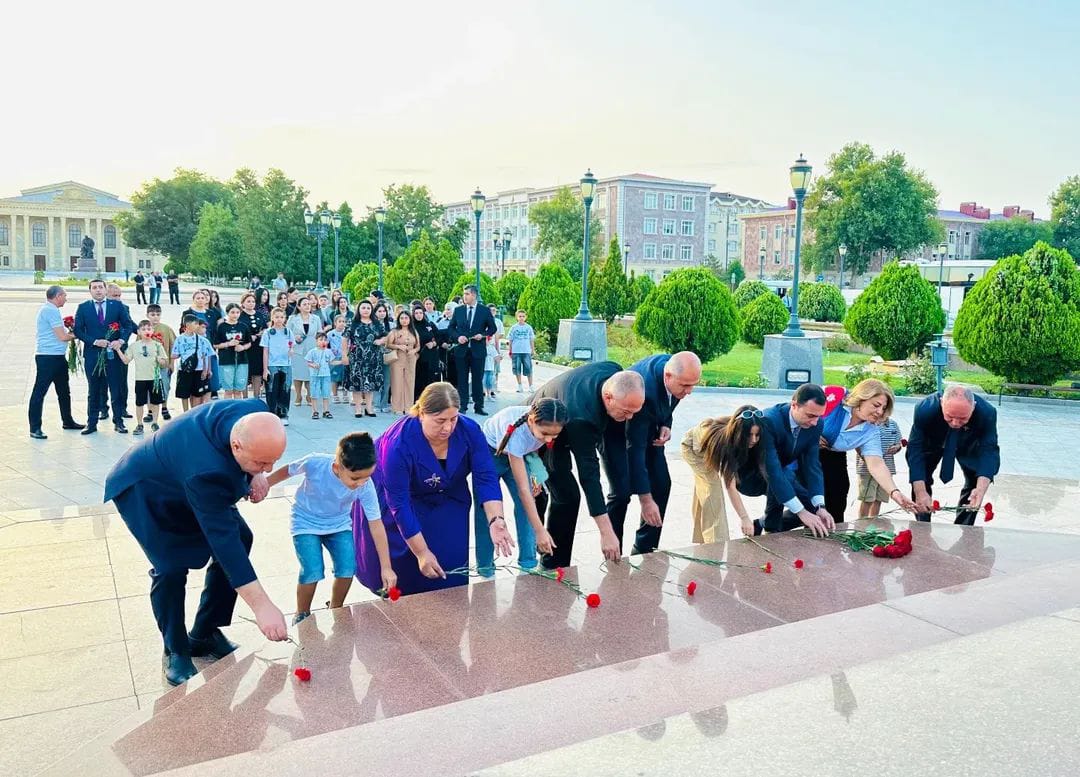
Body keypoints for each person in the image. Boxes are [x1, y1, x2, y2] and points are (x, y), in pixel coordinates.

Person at [104, 401, 290, 686]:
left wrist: (256, 472)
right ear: (237, 446)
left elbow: (229, 529)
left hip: (188, 475)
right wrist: (262, 607)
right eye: (262, 463)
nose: (270, 468)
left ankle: (204, 633)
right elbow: (223, 541)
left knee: (243, 537)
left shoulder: (256, 413)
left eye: (273, 460)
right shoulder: (206, 470)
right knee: (170, 568)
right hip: (149, 489)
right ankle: (176, 649)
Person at [353, 383, 513, 596]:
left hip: (449, 494)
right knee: (406, 565)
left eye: (453, 419)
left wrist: (496, 519)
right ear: (421, 414)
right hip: (400, 497)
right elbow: (399, 505)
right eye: (440, 421)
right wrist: (421, 552)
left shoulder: (469, 430)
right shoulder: (398, 444)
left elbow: (486, 477)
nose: (448, 428)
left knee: (449, 562)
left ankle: (448, 601)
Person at [267, 433, 394, 624]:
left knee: (347, 567)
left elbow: (376, 525)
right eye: (355, 478)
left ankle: (336, 607)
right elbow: (289, 470)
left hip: (338, 524)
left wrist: (386, 567)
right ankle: (302, 612)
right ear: (337, 467)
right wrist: (264, 484)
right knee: (313, 569)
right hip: (305, 522)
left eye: (367, 477)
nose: (361, 483)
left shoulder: (365, 486)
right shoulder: (315, 463)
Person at [533, 363, 646, 566]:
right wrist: (606, 532)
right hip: (544, 430)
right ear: (608, 397)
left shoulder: (613, 371)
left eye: (634, 412)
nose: (630, 417)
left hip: (568, 411)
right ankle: (552, 563)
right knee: (566, 495)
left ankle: (553, 557)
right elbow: (589, 475)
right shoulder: (582, 418)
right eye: (626, 411)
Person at [610, 352, 702, 555]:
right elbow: (635, 449)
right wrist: (645, 499)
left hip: (650, 427)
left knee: (661, 484)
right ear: (667, 376)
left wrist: (666, 423)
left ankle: (645, 548)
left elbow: (670, 399)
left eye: (693, 385)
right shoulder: (647, 392)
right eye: (685, 386)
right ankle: (613, 551)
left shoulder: (674, 370)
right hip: (620, 433)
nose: (689, 391)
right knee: (621, 492)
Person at [475, 398, 567, 576]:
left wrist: (535, 475)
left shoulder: (543, 425)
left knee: (527, 507)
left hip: (519, 455)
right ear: (531, 421)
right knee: (486, 510)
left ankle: (528, 563)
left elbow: (533, 448)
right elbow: (523, 490)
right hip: (489, 453)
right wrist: (540, 531)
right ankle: (485, 570)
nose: (549, 439)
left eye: (554, 436)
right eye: (545, 434)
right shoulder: (516, 432)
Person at [816, 380, 915, 521]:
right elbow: (799, 403)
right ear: (862, 398)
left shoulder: (871, 430)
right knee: (805, 505)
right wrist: (810, 433)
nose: (880, 412)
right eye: (876, 405)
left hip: (834, 458)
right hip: (802, 452)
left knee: (837, 501)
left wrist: (894, 492)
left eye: (883, 408)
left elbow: (876, 464)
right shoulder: (835, 396)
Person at [906, 385, 1000, 525]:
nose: (955, 423)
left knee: (975, 480)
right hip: (933, 439)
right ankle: (922, 524)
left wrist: (980, 489)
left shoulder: (987, 413)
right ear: (941, 402)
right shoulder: (925, 409)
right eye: (950, 416)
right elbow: (915, 448)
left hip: (968, 441)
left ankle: (964, 526)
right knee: (921, 476)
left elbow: (989, 450)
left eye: (963, 418)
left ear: (973, 407)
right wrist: (920, 490)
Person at [758, 383, 834, 536]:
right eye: (810, 415)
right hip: (755, 473)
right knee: (784, 483)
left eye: (819, 416)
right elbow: (772, 469)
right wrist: (800, 511)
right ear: (794, 405)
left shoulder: (816, 423)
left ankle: (761, 524)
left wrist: (820, 507)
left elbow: (812, 464)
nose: (815, 422)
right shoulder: (769, 420)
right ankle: (770, 531)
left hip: (782, 471)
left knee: (812, 508)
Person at [682, 407, 767, 543]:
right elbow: (730, 486)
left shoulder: (742, 427)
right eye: (749, 435)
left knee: (704, 492)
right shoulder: (727, 444)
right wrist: (744, 518)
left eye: (757, 435)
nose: (753, 440)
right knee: (712, 493)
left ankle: (702, 540)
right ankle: (716, 545)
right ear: (739, 432)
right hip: (694, 448)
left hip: (708, 441)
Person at [74, 279, 137, 435]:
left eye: (100, 287)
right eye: (94, 287)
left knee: (116, 389)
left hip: (113, 355)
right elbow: (78, 330)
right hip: (93, 355)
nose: (98, 290)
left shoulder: (117, 306)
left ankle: (119, 421)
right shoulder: (83, 307)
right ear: (90, 291)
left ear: (105, 290)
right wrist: (94, 341)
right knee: (93, 390)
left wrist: (120, 340)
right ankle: (92, 423)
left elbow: (128, 325)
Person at [28, 285, 84, 438]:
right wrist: (80, 334)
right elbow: (62, 336)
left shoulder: (51, 310)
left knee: (64, 391)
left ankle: (67, 421)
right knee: (39, 392)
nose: (66, 299)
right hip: (48, 358)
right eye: (64, 296)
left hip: (57, 356)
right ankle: (35, 428)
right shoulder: (50, 310)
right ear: (58, 296)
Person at [447, 284, 497, 415]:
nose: (464, 296)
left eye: (467, 294)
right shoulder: (459, 310)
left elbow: (493, 328)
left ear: (474, 295)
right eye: (464, 294)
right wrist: (458, 337)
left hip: (478, 351)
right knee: (462, 379)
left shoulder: (484, 310)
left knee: (477, 379)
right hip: (461, 351)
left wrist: (483, 335)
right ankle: (462, 406)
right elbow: (451, 328)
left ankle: (478, 406)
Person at [122, 320, 170, 435]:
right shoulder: (134, 346)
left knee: (155, 402)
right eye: (143, 329)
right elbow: (126, 361)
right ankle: (139, 424)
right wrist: (118, 350)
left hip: (155, 379)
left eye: (149, 329)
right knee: (139, 403)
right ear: (138, 332)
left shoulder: (157, 345)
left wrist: (161, 361)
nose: (146, 331)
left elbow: (165, 362)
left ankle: (155, 422)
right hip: (140, 379)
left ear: (152, 331)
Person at [345, 300, 387, 418]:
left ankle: (369, 408)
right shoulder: (353, 323)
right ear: (358, 309)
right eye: (363, 308)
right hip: (356, 357)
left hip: (374, 357)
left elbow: (386, 336)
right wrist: (344, 355)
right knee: (356, 383)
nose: (366, 310)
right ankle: (358, 409)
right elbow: (345, 339)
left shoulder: (377, 323)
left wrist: (381, 341)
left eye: (368, 308)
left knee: (371, 383)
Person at [857, 415, 904, 518]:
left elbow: (899, 443)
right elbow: (858, 444)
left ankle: (873, 522)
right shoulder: (867, 423)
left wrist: (897, 447)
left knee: (879, 499)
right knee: (867, 499)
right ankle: (861, 523)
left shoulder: (893, 424)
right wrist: (868, 459)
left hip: (887, 468)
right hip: (868, 469)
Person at [172, 314, 214, 410]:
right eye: (195, 324)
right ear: (187, 325)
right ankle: (185, 412)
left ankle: (195, 411)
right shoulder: (179, 339)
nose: (197, 326)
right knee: (184, 393)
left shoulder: (202, 340)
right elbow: (174, 355)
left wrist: (206, 370)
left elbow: (207, 355)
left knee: (197, 393)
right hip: (184, 369)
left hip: (198, 369)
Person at [261, 308, 293, 426]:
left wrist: (291, 350)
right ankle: (272, 415)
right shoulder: (268, 333)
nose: (279, 319)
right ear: (272, 318)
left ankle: (283, 414)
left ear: (285, 318)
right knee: (271, 390)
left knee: (285, 390)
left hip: (286, 365)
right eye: (277, 317)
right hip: (272, 365)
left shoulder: (288, 332)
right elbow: (265, 351)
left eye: (282, 317)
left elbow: (291, 345)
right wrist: (265, 369)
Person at [214, 303, 253, 400]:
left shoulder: (243, 326)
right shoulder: (221, 327)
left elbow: (249, 343)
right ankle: (228, 407)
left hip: (241, 360)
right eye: (232, 312)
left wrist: (242, 347)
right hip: (226, 360)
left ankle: (237, 407)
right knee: (228, 390)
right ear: (227, 313)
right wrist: (228, 344)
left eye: (237, 312)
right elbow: (215, 344)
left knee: (238, 390)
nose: (235, 315)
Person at [386, 309, 419, 414]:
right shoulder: (394, 331)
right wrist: (398, 346)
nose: (404, 320)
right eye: (402, 318)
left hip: (410, 358)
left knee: (410, 382)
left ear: (410, 319)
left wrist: (414, 351)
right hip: (398, 358)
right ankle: (397, 408)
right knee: (397, 382)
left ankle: (408, 407)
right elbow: (388, 344)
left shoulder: (414, 331)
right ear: (398, 319)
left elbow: (418, 346)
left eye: (406, 318)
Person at [147, 304, 176, 421]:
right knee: (149, 388)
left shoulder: (166, 329)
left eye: (158, 314)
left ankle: (164, 407)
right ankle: (150, 411)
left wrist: (172, 363)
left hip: (164, 365)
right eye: (152, 314)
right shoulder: (144, 329)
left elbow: (173, 347)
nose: (155, 317)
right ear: (147, 315)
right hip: (149, 366)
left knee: (164, 386)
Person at [286, 297, 316, 409]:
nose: (307, 306)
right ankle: (298, 395)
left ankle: (309, 395)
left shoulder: (315, 318)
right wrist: (294, 337)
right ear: (299, 306)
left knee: (310, 373)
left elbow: (319, 333)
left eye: (308, 304)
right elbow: (287, 333)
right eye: (304, 304)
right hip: (298, 350)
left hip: (311, 349)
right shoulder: (293, 318)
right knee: (298, 374)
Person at [238, 292, 268, 401]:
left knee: (257, 373)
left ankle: (256, 398)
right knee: (245, 373)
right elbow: (238, 330)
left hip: (258, 347)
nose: (251, 303)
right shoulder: (240, 315)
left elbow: (265, 327)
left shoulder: (259, 314)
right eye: (248, 301)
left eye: (253, 301)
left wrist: (262, 333)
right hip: (245, 347)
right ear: (243, 303)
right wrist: (249, 337)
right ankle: (245, 398)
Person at [305, 332, 339, 419]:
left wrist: (341, 362)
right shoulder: (312, 352)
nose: (323, 341)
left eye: (325, 340)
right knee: (314, 394)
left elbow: (332, 362)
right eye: (321, 340)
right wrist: (313, 365)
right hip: (315, 376)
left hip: (326, 375)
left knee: (326, 393)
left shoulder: (328, 352)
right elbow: (308, 362)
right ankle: (314, 411)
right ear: (316, 341)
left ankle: (326, 411)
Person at [412, 306, 441, 399]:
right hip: (417, 358)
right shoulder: (411, 327)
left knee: (431, 380)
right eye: (416, 313)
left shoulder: (430, 325)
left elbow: (439, 337)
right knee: (418, 380)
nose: (418, 315)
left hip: (431, 358)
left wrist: (434, 343)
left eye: (420, 313)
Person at [506, 309, 536, 393]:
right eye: (520, 316)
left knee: (528, 368)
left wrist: (533, 350)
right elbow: (510, 340)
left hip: (526, 351)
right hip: (516, 351)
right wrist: (510, 350)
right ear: (517, 317)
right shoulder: (514, 328)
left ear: (526, 317)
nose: (521, 318)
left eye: (523, 316)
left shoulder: (528, 327)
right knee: (517, 369)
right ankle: (520, 386)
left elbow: (531, 339)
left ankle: (531, 386)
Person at [327, 315, 349, 403]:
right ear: (335, 323)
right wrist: (330, 352)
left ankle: (345, 395)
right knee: (334, 377)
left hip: (345, 356)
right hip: (335, 358)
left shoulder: (347, 333)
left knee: (345, 377)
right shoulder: (330, 334)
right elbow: (325, 344)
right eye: (339, 321)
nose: (342, 323)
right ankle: (335, 395)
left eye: (343, 322)